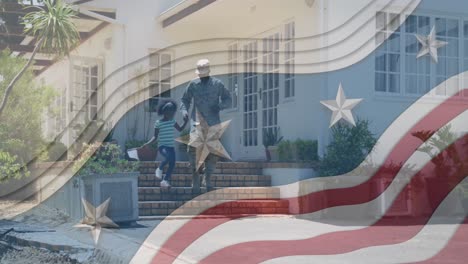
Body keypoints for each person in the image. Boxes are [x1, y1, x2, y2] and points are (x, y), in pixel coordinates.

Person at [180, 59, 232, 191]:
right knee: (192, 149)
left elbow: (228, 99)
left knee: (213, 153)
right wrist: (184, 111)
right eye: (199, 74)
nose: (201, 76)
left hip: (213, 122)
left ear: (208, 71)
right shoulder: (193, 84)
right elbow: (184, 99)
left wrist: (220, 106)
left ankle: (207, 179)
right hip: (196, 121)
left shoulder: (217, 84)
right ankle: (195, 176)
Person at [142, 100, 188, 188]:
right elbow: (155, 137)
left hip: (171, 147)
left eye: (173, 111)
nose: (172, 113)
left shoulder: (172, 121)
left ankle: (164, 181)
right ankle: (159, 168)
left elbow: (180, 129)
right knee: (168, 157)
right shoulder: (158, 123)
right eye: (170, 111)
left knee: (172, 163)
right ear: (165, 112)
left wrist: (185, 122)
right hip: (162, 146)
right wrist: (147, 144)